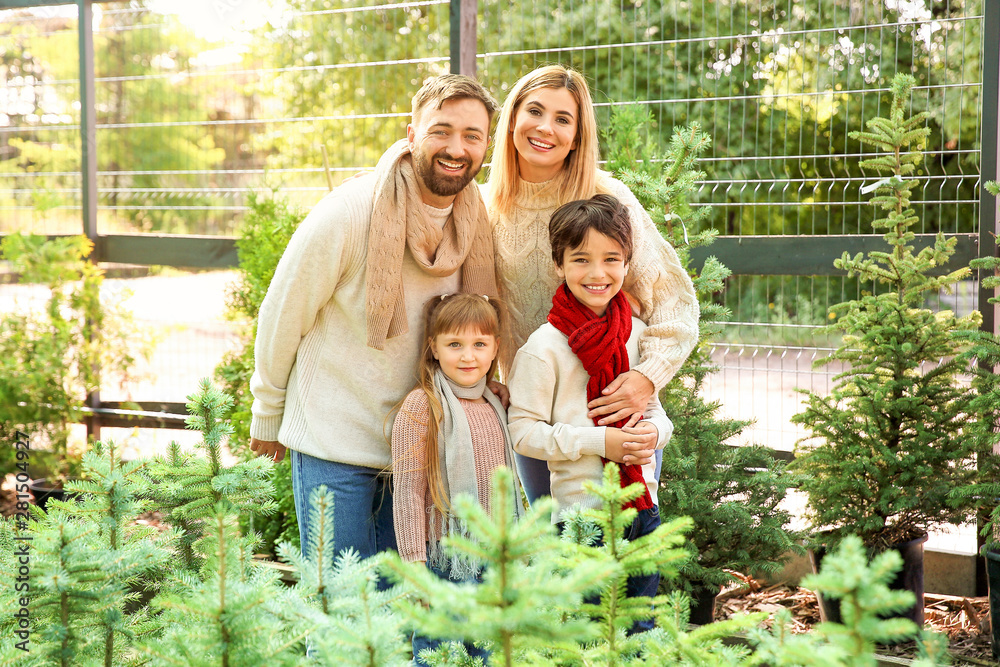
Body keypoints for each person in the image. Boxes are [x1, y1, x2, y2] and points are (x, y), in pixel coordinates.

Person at [247, 74, 500, 561]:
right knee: (340, 609)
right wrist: (267, 408)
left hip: (418, 446)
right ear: (411, 134)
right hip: (333, 441)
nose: (455, 147)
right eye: (440, 130)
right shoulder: (349, 212)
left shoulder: (477, 223)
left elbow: (479, 326)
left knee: (401, 609)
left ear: (486, 145)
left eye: (471, 136)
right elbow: (283, 311)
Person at [483, 65, 699, 502]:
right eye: (535, 111)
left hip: (616, 408)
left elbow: (673, 302)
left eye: (563, 119)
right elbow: (472, 305)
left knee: (630, 549)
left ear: (578, 136)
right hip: (540, 418)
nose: (546, 128)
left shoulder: (606, 196)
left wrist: (646, 378)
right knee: (556, 548)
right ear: (512, 120)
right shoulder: (484, 207)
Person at [507, 194, 672, 633]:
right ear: (559, 265)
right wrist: (601, 442)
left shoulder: (636, 334)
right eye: (581, 260)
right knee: (587, 635)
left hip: (642, 509)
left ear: (627, 262)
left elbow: (655, 410)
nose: (597, 274)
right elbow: (522, 433)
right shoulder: (544, 348)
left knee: (639, 631)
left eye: (611, 259)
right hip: (582, 518)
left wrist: (652, 436)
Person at [391, 293, 522, 665]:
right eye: (455, 344)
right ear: (433, 347)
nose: (468, 356)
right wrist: (415, 563)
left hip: (494, 554)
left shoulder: (497, 404)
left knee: (488, 652)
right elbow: (408, 492)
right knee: (439, 652)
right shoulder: (423, 404)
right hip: (444, 555)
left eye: (480, 344)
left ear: (496, 347)